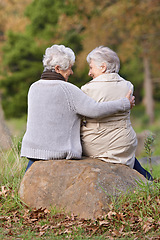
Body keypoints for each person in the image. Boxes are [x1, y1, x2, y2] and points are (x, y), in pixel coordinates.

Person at [20, 44, 135, 172]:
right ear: (58, 68)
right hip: (57, 153)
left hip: (32, 151)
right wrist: (124, 103)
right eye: (69, 68)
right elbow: (95, 110)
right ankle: (150, 181)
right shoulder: (68, 90)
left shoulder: (33, 87)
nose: (71, 72)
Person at [81, 46, 153, 180]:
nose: (89, 73)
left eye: (91, 68)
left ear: (103, 67)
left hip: (97, 145)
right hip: (126, 144)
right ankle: (149, 181)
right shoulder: (128, 86)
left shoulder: (87, 89)